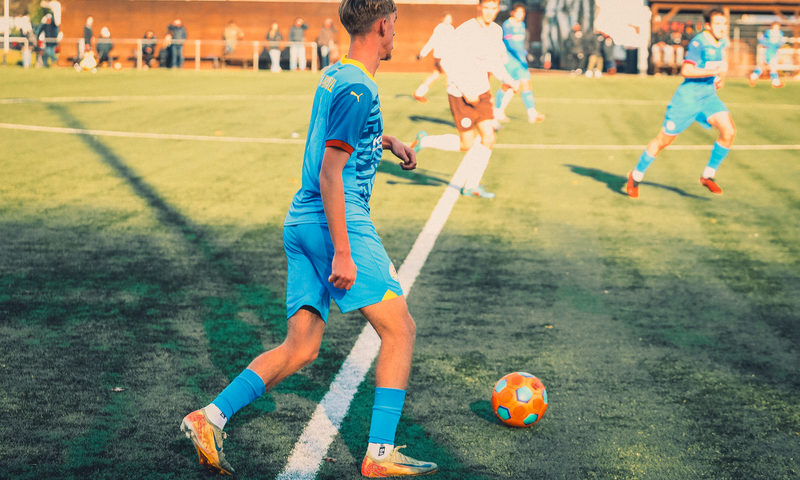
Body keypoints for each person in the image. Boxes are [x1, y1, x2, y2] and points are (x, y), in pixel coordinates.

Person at [180, 0, 438, 476]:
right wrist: (343, 249)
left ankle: (209, 417)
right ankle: (380, 454)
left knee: (301, 348)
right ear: (383, 25)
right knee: (400, 329)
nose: (396, 32)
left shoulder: (338, 74)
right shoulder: (359, 87)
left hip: (300, 222)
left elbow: (335, 137)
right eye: (396, 24)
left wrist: (387, 141)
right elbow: (330, 171)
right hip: (335, 223)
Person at [411, 0, 520, 199]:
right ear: (479, 8)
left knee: (489, 137)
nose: (490, 12)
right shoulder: (466, 30)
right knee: (466, 144)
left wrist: (509, 80)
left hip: (482, 91)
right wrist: (465, 89)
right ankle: (425, 141)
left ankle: (472, 186)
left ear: (498, 9)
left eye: (493, 8)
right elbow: (446, 62)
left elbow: (494, 62)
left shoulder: (496, 31)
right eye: (486, 8)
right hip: (460, 93)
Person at [627, 6, 735, 199]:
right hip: (688, 99)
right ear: (708, 26)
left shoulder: (722, 43)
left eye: (724, 24)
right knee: (663, 141)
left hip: (708, 97)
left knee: (729, 132)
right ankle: (635, 175)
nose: (722, 27)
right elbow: (686, 71)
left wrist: (718, 79)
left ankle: (707, 176)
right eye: (717, 23)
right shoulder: (699, 43)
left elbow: (713, 69)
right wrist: (714, 72)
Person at [494, 3, 544, 123]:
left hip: (520, 60)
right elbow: (510, 44)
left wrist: (524, 54)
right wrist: (523, 53)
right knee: (508, 85)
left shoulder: (522, 25)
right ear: (512, 13)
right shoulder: (507, 25)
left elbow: (522, 43)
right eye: (518, 12)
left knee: (526, 83)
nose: (521, 15)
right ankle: (498, 111)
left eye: (523, 13)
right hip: (510, 59)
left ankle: (532, 114)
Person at [412, 13, 454, 103]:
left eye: (450, 18)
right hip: (441, 57)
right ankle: (452, 99)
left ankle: (419, 93)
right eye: (448, 18)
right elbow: (432, 41)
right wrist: (422, 54)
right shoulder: (440, 29)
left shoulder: (450, 28)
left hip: (445, 57)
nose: (450, 20)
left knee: (435, 76)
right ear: (443, 19)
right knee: (450, 76)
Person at [749, 21, 786, 88]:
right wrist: (768, 44)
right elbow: (761, 39)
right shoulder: (768, 32)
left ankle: (753, 76)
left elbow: (782, 42)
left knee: (764, 66)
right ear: (772, 26)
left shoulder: (780, 33)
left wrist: (778, 44)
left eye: (778, 26)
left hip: (775, 51)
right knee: (773, 67)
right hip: (769, 51)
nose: (776, 28)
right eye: (775, 26)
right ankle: (776, 83)